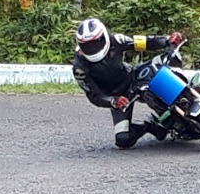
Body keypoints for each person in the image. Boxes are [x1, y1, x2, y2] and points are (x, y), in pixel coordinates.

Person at [73, 18, 184, 149]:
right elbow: (94, 96)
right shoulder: (80, 68)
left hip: (132, 78)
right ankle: (152, 126)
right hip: (118, 96)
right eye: (87, 45)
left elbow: (143, 42)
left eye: (95, 43)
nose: (92, 48)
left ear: (104, 36)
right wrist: (114, 101)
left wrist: (166, 40)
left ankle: (185, 91)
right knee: (123, 139)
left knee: (157, 77)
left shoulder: (116, 40)